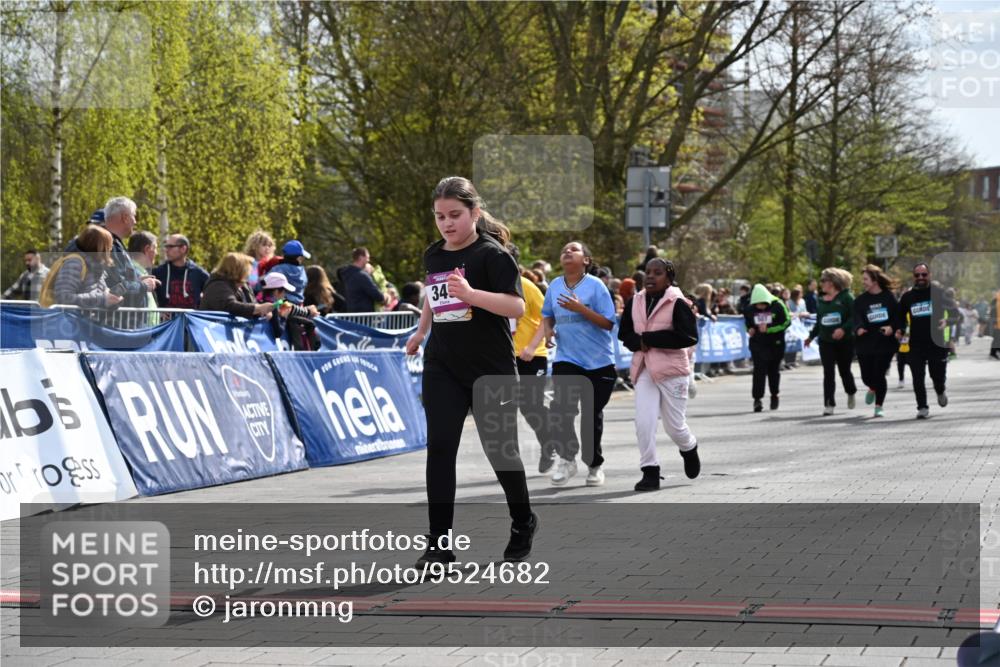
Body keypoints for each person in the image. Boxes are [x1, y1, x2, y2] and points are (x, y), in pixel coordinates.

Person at [403, 176, 535, 566]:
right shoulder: (434, 254)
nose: (447, 223)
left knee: (500, 452)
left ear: (475, 213)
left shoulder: (492, 255)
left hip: (489, 368)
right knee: (440, 450)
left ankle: (523, 521)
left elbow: (516, 308)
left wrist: (473, 295)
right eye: (440, 216)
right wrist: (421, 329)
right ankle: (439, 545)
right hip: (443, 364)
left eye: (455, 215)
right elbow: (434, 293)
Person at [618, 258, 700, 491]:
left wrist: (649, 339)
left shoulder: (678, 302)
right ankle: (650, 471)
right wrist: (637, 342)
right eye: (648, 272)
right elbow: (624, 333)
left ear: (669, 278)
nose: (651, 276)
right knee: (644, 422)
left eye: (658, 272)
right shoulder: (635, 300)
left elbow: (688, 337)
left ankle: (689, 447)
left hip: (672, 371)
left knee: (674, 427)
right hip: (644, 368)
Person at [541, 240, 617, 488]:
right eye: (563, 249)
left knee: (590, 416)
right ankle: (567, 459)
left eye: (573, 249)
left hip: (599, 363)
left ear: (586, 260)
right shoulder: (554, 285)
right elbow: (546, 315)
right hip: (567, 359)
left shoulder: (596, 287)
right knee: (561, 411)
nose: (566, 252)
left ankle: (594, 465)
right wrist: (548, 332)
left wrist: (579, 308)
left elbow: (608, 323)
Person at [509, 245, 554, 474]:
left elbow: (547, 318)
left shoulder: (527, 287)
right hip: (505, 358)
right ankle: (510, 464)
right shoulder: (492, 289)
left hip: (532, 356)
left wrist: (532, 346)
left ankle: (550, 443)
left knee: (530, 406)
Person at [68, 197, 159, 307]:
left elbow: (116, 279)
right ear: (125, 218)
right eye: (134, 215)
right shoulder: (105, 245)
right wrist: (142, 286)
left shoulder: (114, 244)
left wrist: (136, 279)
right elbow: (115, 286)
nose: (135, 221)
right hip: (108, 320)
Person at [896, 263, 957, 419]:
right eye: (917, 275)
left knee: (937, 376)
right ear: (913, 277)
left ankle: (940, 389)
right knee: (917, 376)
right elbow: (900, 318)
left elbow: (956, 315)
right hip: (916, 343)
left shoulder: (940, 293)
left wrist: (947, 321)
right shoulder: (907, 297)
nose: (921, 278)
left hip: (936, 343)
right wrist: (900, 330)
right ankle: (922, 407)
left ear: (930, 275)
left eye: (924, 274)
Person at [805, 268, 857, 415]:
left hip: (845, 342)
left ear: (833, 282)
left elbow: (854, 318)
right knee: (828, 372)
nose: (821, 284)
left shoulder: (847, 298)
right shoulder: (820, 299)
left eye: (823, 281)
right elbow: (820, 321)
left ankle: (851, 391)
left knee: (844, 371)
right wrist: (811, 336)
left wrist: (843, 329)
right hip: (826, 342)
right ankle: (829, 404)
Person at [852, 265, 900, 418]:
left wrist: (892, 327)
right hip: (865, 343)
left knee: (879, 374)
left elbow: (897, 316)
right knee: (867, 377)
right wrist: (858, 327)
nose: (863, 282)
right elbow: (855, 317)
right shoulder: (860, 300)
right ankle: (871, 387)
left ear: (874, 280)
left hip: (885, 342)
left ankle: (879, 406)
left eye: (865, 279)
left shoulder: (889, 297)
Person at [48, 225, 123, 320]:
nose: (111, 249)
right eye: (108, 245)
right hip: (70, 327)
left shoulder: (97, 267)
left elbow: (98, 296)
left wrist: (112, 301)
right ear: (99, 247)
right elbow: (64, 297)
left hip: (86, 326)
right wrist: (102, 299)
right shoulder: (74, 263)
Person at [745, 283, 791, 412]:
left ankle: (774, 394)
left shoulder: (778, 305)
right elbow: (747, 323)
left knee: (773, 371)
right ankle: (757, 399)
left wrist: (770, 329)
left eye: (764, 304)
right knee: (759, 371)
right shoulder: (749, 309)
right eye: (758, 305)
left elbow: (787, 322)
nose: (761, 307)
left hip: (775, 344)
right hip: (758, 344)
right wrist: (749, 329)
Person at [199, 252, 274, 319]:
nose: (250, 272)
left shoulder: (242, 286)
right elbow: (231, 306)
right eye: (247, 269)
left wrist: (262, 312)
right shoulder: (218, 285)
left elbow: (248, 307)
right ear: (238, 269)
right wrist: (258, 308)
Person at [258, 272, 321, 350]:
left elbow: (291, 307)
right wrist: (284, 317)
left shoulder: (260, 299)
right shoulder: (272, 306)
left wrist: (307, 311)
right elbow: (278, 333)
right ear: (276, 291)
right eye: (284, 291)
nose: (285, 295)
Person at [151, 234, 210, 309]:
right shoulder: (158, 272)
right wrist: (158, 313)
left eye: (170, 247)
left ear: (183, 249)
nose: (166, 250)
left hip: (191, 320)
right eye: (166, 246)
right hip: (166, 321)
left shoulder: (199, 273)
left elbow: (214, 295)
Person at [341, 247, 387, 312]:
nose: (368, 260)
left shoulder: (347, 274)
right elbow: (378, 296)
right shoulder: (361, 275)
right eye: (367, 257)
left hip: (352, 313)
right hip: (364, 316)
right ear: (361, 257)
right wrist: (385, 296)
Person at [126, 231, 160, 321]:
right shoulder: (131, 272)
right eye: (155, 248)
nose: (157, 253)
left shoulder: (142, 272)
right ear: (147, 249)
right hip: (140, 331)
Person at [267, 240, 311, 305]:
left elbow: (263, 284)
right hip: (298, 306)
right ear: (298, 258)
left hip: (282, 305)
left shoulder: (278, 269)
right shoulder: (302, 271)